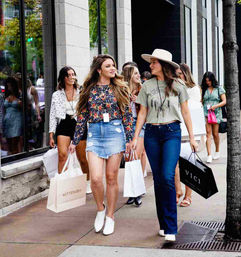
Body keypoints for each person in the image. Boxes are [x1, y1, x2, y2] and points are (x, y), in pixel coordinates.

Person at [130, 49, 198, 242]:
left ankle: (170, 227)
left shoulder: (178, 85)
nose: (150, 65)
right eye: (150, 62)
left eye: (154, 62)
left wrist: (192, 137)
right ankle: (163, 224)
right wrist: (135, 137)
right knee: (159, 180)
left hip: (172, 133)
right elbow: (142, 113)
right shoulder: (146, 86)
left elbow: (185, 112)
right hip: (152, 134)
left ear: (163, 65)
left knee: (168, 176)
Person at [69, 54, 133, 236]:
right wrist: (75, 141)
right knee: (96, 178)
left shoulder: (121, 88)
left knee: (111, 177)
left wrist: (129, 139)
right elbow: (81, 116)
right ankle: (100, 209)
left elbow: (127, 115)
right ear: (99, 70)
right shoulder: (88, 89)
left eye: (113, 65)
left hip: (115, 133)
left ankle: (111, 216)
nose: (113, 68)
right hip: (95, 134)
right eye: (108, 66)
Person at [49, 66, 91, 193]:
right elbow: (52, 115)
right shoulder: (56, 95)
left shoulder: (81, 91)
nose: (72, 77)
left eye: (73, 74)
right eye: (69, 75)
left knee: (82, 158)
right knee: (62, 155)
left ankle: (87, 183)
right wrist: (51, 134)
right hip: (63, 124)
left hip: (78, 124)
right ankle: (63, 185)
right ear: (64, 78)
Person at [175, 63, 202, 207]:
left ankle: (188, 195)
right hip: (176, 129)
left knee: (189, 164)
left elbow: (193, 108)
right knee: (175, 164)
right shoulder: (173, 88)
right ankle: (177, 192)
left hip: (191, 130)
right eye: (176, 74)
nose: (178, 77)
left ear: (186, 74)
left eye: (180, 74)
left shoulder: (194, 89)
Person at [123, 65, 146, 207]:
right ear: (129, 75)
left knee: (136, 157)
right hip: (126, 126)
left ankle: (137, 193)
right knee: (129, 159)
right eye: (136, 73)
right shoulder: (122, 91)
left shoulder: (142, 90)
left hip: (140, 125)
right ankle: (132, 192)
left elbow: (148, 108)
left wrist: (137, 100)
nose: (139, 76)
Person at [201, 71, 226, 163]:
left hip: (216, 114)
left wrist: (215, 106)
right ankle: (209, 154)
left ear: (212, 80)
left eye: (209, 81)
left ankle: (217, 151)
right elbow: (201, 100)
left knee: (215, 134)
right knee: (208, 134)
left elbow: (224, 101)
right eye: (206, 81)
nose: (208, 82)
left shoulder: (219, 88)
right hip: (206, 113)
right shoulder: (204, 89)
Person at [3, 77, 23, 155]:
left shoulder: (19, 95)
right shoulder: (5, 96)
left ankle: (15, 158)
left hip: (16, 121)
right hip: (7, 121)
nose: (9, 88)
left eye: (10, 86)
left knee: (15, 143)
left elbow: (25, 108)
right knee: (9, 145)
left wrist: (19, 102)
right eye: (7, 86)